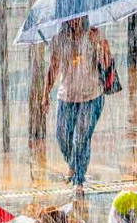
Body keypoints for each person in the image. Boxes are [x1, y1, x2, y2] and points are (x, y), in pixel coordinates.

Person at [42, 17, 111, 195]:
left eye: (78, 16)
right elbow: (52, 68)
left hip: (92, 95)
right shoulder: (59, 40)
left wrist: (101, 45)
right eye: (71, 17)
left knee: (81, 137)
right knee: (62, 136)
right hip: (67, 96)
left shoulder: (93, 35)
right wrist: (45, 95)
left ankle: (78, 180)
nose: (75, 20)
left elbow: (106, 64)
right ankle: (74, 164)